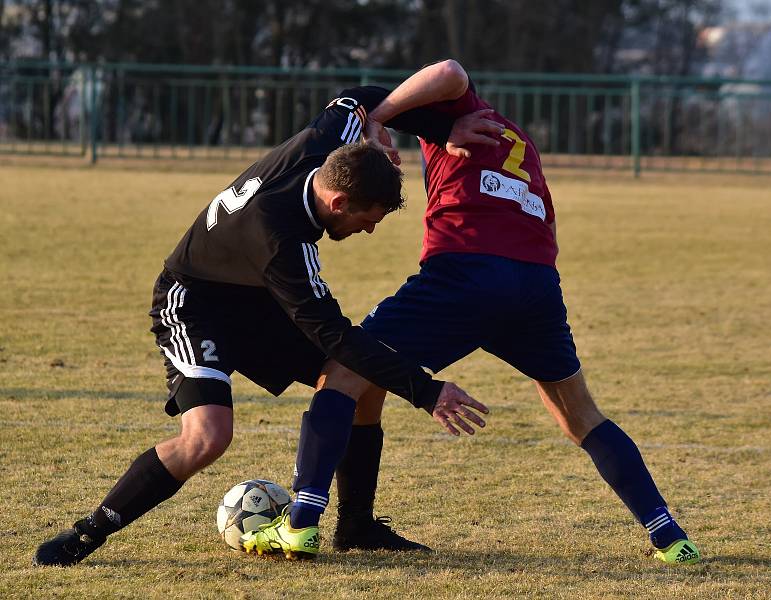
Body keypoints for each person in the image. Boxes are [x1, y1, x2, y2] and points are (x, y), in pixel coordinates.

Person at [32, 80, 494, 566]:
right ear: (339, 204)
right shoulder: (281, 242)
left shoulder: (326, 141)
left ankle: (357, 524)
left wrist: (439, 128)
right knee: (208, 437)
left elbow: (365, 94)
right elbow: (333, 334)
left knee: (360, 379)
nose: (370, 229)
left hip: (257, 298)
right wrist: (426, 392)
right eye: (368, 219)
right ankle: (88, 533)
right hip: (196, 304)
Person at [323, 59, 701, 565]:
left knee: (349, 371)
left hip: (466, 273)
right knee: (580, 416)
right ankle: (670, 535)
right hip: (536, 283)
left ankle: (316, 519)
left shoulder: (460, 110)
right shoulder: (512, 135)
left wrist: (380, 117)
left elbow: (448, 70)